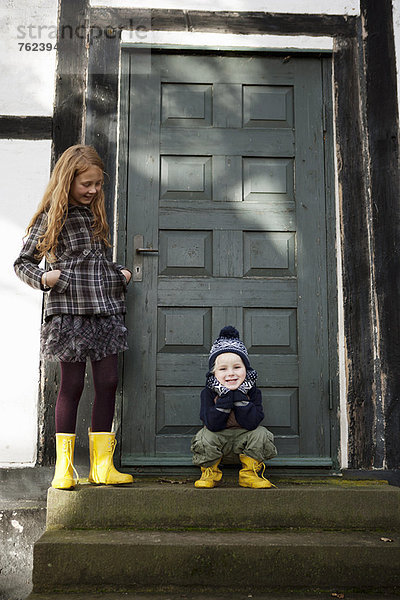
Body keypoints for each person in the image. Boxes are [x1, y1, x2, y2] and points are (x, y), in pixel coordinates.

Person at [14, 145, 133, 489]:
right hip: (69, 312)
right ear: (69, 180)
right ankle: (63, 469)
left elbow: (96, 261)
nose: (94, 190)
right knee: (73, 385)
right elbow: (22, 263)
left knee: (109, 382)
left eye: (98, 184)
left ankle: (102, 466)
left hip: (104, 310)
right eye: (87, 184)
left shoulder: (95, 215)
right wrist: (45, 278)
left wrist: (119, 273)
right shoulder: (52, 215)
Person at [191, 326, 277, 488]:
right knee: (203, 436)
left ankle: (249, 474)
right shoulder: (208, 393)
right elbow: (212, 423)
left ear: (246, 370)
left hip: (244, 443)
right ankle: (211, 473)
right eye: (223, 369)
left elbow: (252, 422)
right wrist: (225, 399)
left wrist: (238, 397)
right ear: (214, 374)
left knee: (262, 434)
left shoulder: (252, 392)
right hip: (218, 442)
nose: (231, 373)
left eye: (237, 367)